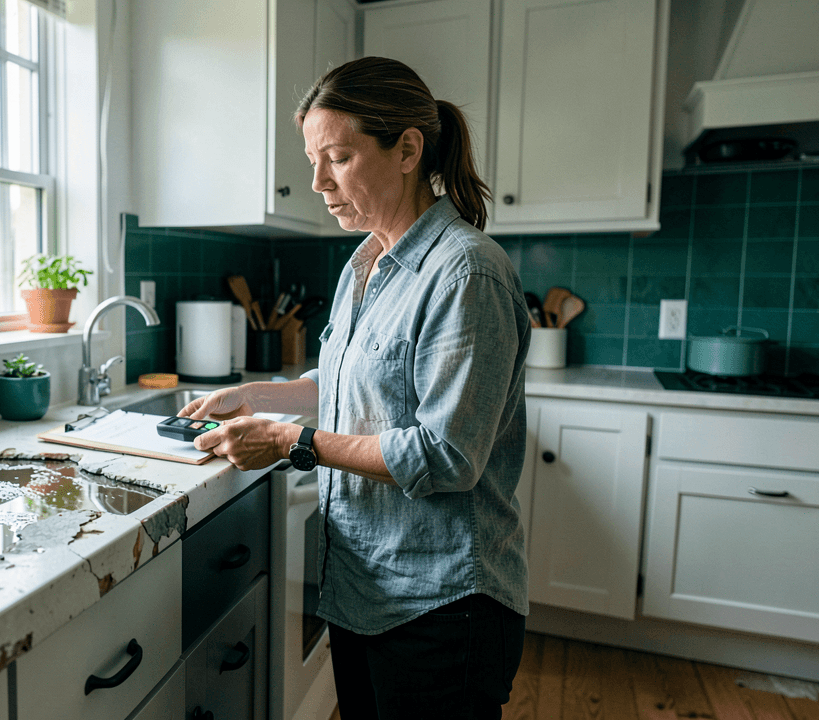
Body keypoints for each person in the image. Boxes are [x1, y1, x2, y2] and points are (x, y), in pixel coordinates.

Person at [179, 56, 531, 719]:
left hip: (443, 605)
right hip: (363, 589)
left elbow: (445, 456)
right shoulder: (366, 260)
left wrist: (293, 442)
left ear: (406, 149)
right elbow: (343, 385)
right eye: (314, 160)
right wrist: (256, 396)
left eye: (337, 158)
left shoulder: (465, 275)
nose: (317, 182)